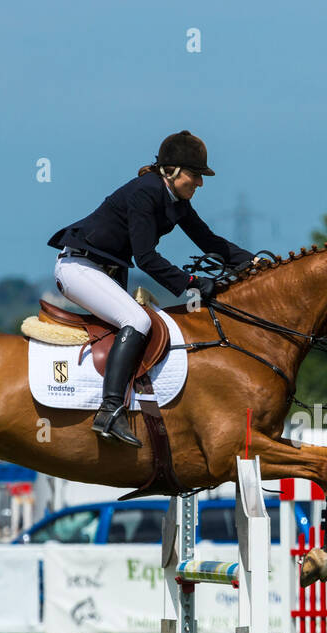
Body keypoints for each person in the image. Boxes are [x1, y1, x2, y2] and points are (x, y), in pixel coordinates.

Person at [47, 131, 258, 446]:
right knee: (139, 321)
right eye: (195, 175)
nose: (200, 183)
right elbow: (145, 257)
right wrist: (193, 285)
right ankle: (109, 410)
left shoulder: (175, 201)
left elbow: (209, 241)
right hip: (79, 267)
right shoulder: (146, 192)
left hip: (103, 271)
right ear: (172, 171)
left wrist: (256, 263)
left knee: (144, 319)